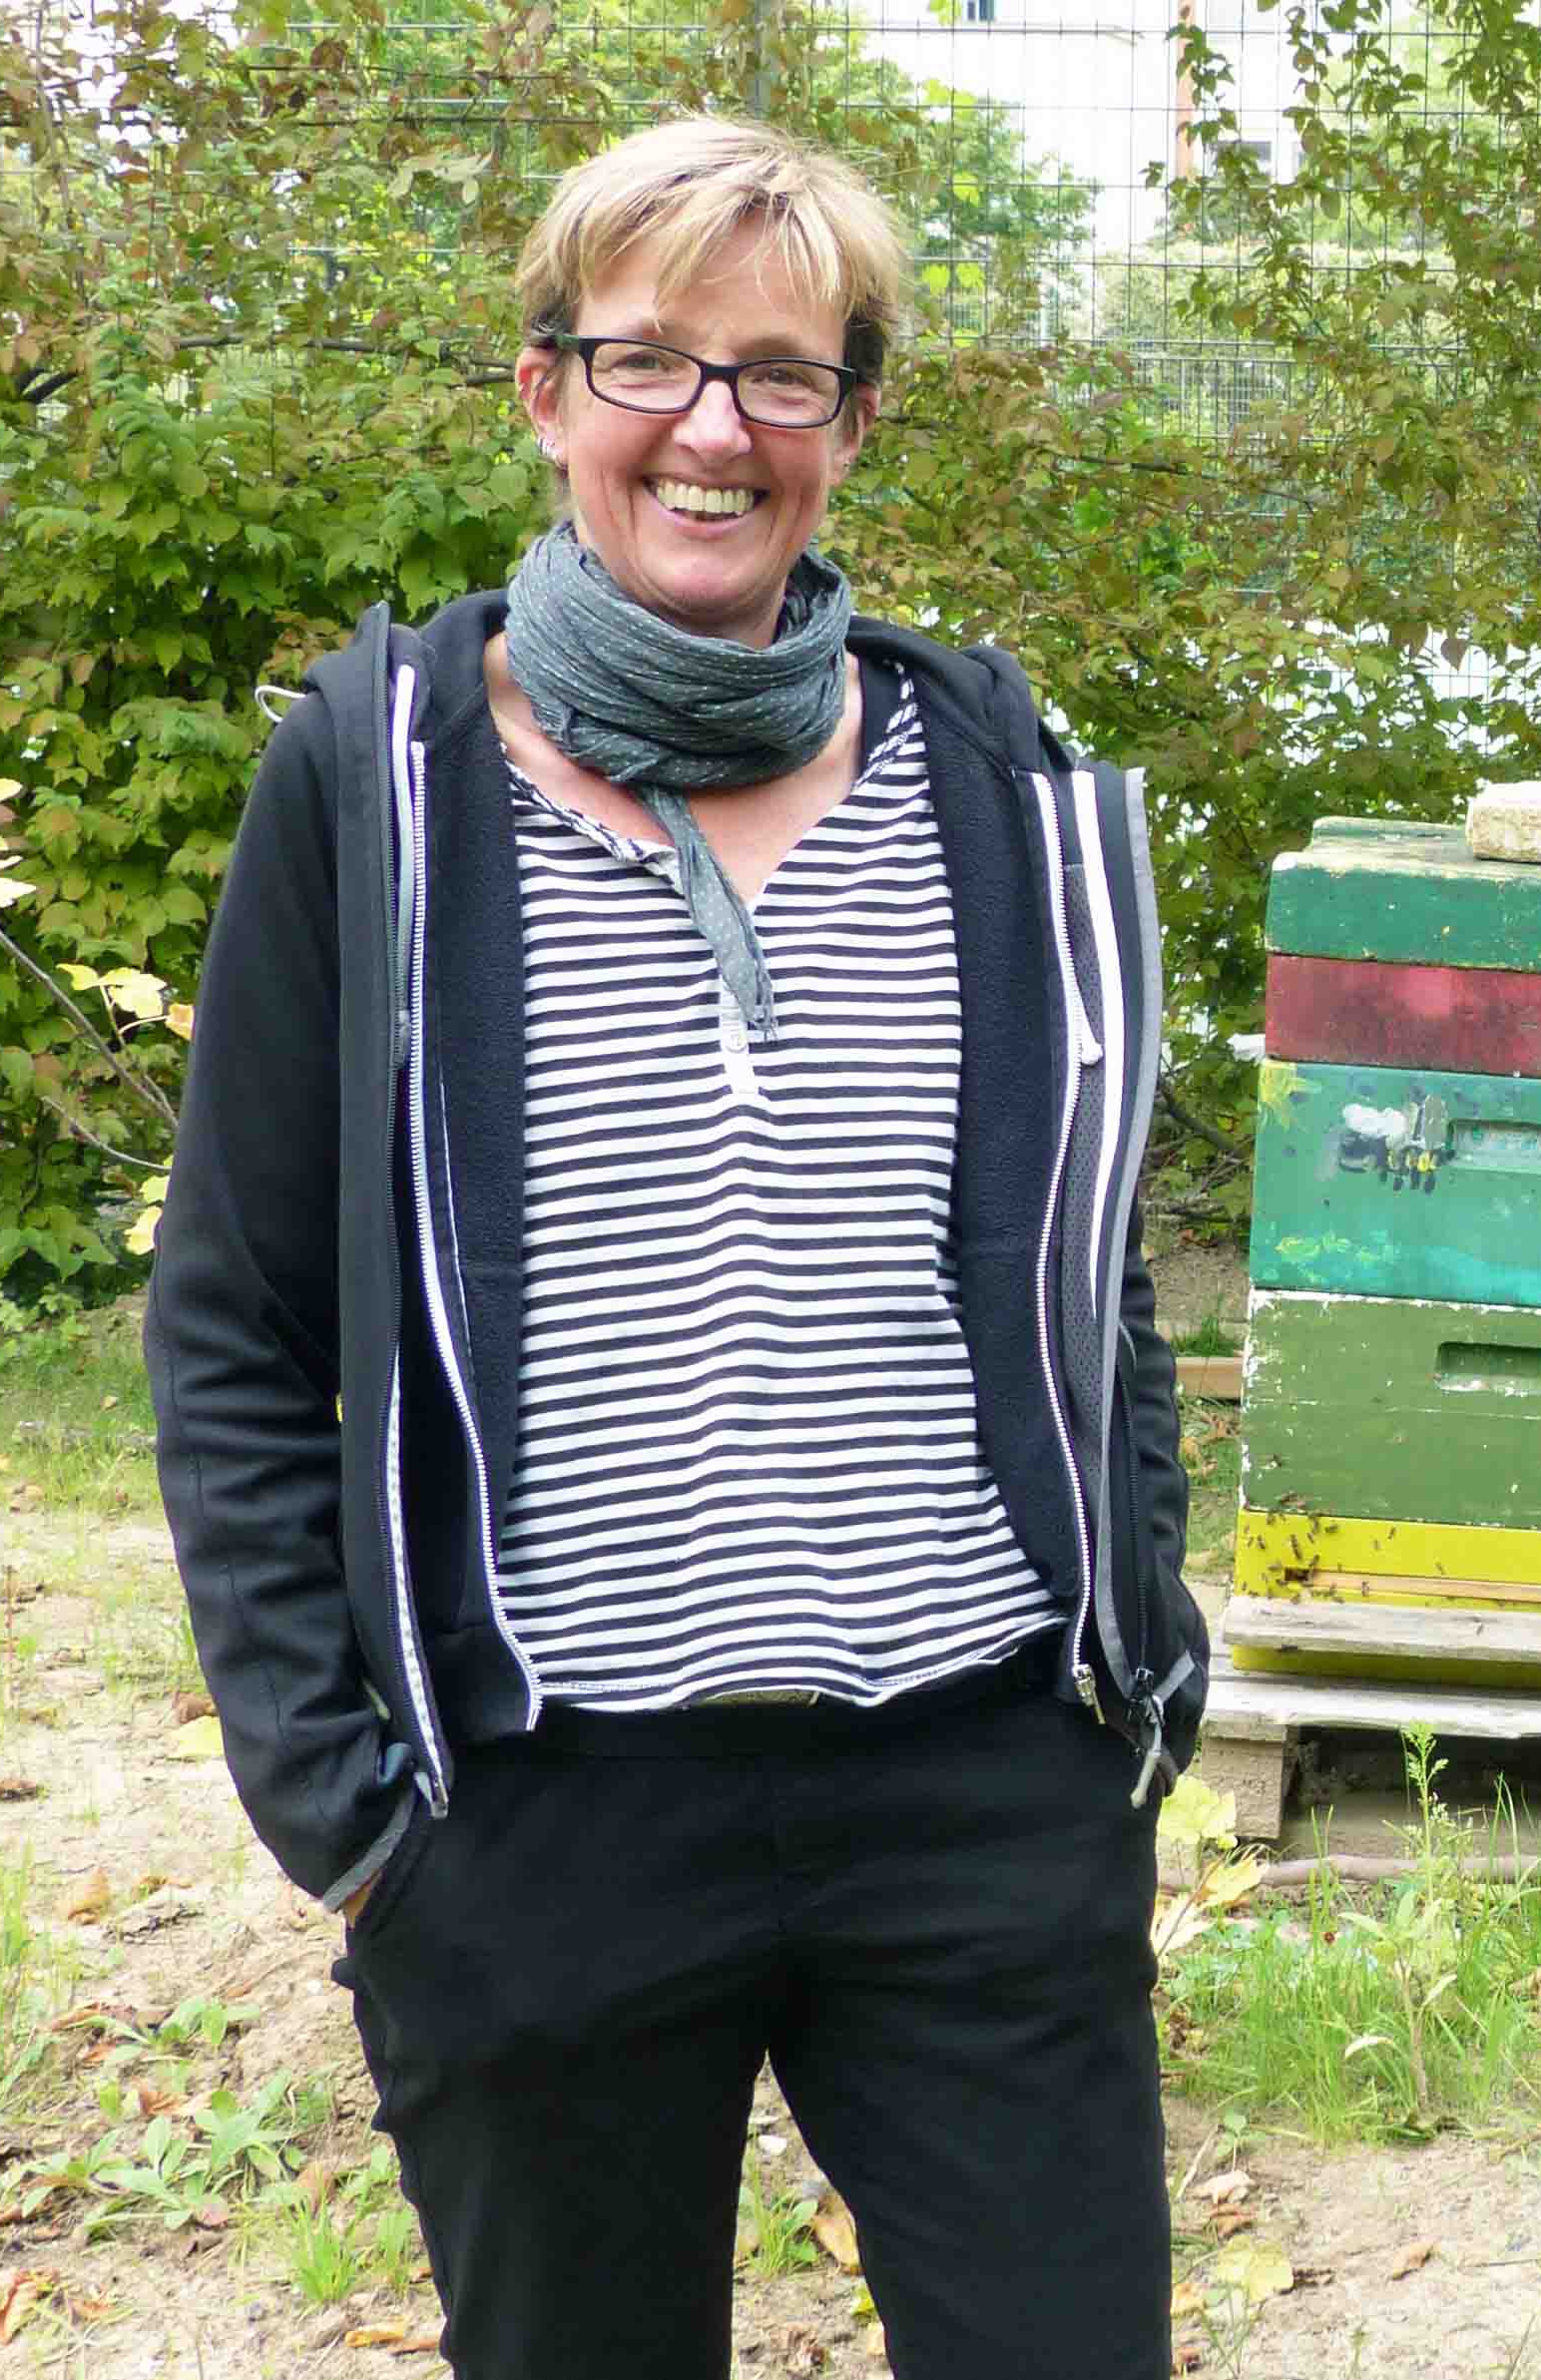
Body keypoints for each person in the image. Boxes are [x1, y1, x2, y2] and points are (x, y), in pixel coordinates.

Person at [144, 117, 1204, 2380]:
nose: (714, 429)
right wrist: (348, 1813)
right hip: (541, 1823)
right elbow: (235, 1318)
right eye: (650, 361)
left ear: (852, 421)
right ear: (546, 391)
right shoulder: (383, 781)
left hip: (976, 1798)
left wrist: (1125, 1676)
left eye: (782, 374)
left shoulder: (989, 781)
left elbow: (1084, 1261)